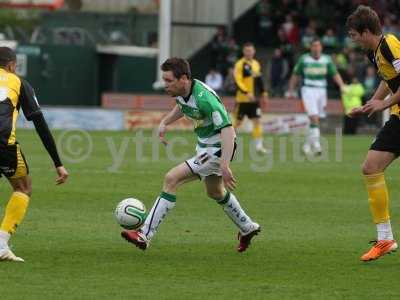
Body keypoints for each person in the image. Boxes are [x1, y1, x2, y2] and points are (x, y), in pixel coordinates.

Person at [121, 57, 260, 252]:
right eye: (164, 80)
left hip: (218, 148)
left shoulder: (205, 99)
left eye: (169, 81)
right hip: (205, 146)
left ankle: (144, 234)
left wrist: (224, 164)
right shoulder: (182, 91)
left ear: (184, 78)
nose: (165, 85)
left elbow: (227, 130)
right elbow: (182, 105)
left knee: (171, 179)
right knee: (215, 192)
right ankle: (247, 227)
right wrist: (165, 122)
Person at [0, 47, 68, 262]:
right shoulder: (18, 82)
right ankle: (1, 244)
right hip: (3, 143)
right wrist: (58, 163)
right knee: (23, 188)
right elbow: (40, 124)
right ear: (11, 65)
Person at [346, 5, 400, 261]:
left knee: (370, 167)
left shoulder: (389, 44)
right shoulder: (375, 52)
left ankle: (385, 237)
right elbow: (388, 79)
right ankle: (385, 238)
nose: (353, 40)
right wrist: (371, 102)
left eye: (354, 35)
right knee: (371, 167)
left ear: (366, 31)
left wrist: (384, 104)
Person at [287, 38, 346, 156]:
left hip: (322, 91)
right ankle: (317, 146)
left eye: (318, 46)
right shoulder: (304, 59)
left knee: (315, 119)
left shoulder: (326, 60)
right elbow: (295, 75)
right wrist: (291, 90)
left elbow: (334, 74)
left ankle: (306, 146)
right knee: (314, 118)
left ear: (321, 47)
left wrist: (342, 86)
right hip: (308, 89)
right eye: (314, 46)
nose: (316, 48)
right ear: (310, 47)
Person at [233, 42, 269, 154]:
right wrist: (246, 92)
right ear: (244, 52)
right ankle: (224, 144)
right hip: (242, 100)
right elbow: (238, 81)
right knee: (237, 123)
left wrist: (264, 94)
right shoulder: (239, 64)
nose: (249, 52)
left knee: (257, 121)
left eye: (250, 50)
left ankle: (259, 147)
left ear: (254, 51)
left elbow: (259, 81)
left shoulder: (256, 64)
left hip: (254, 100)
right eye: (247, 50)